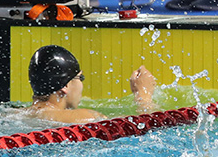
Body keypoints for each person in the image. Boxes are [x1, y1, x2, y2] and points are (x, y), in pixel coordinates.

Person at [26, 45, 158, 123]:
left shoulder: (18, 114)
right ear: (65, 86)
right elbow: (145, 125)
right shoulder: (85, 117)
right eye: (80, 78)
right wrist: (143, 96)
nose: (81, 84)